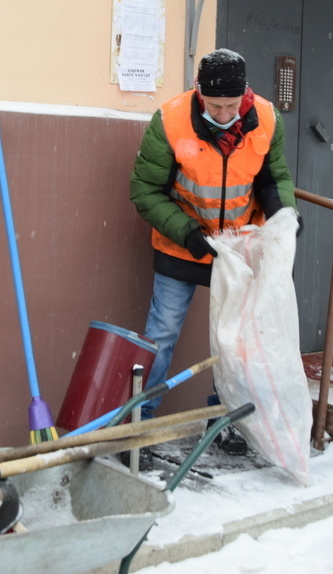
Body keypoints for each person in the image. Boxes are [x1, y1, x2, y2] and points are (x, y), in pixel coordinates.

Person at [129, 48, 297, 458]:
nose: (224, 115)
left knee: (237, 343)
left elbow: (273, 179)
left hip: (239, 249)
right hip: (183, 244)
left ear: (245, 97)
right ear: (199, 94)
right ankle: (139, 426)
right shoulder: (169, 121)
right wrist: (187, 233)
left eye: (231, 106)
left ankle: (224, 419)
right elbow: (144, 191)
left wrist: (282, 216)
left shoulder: (267, 120)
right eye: (214, 106)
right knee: (162, 334)